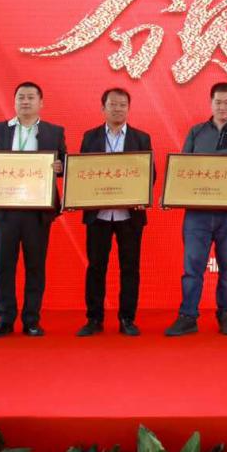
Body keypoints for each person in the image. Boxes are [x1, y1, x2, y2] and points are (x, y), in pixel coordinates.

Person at [0, 81, 67, 338]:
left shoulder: (53, 132)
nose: (25, 102)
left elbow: (65, 164)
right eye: (20, 97)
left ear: (41, 103)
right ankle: (5, 318)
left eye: (30, 97)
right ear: (14, 102)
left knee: (35, 266)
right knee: (4, 265)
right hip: (5, 209)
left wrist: (61, 167)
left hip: (37, 211)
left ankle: (31, 320)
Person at [165, 81, 227, 337]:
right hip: (198, 214)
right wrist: (175, 193)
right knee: (192, 267)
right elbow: (183, 168)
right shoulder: (196, 132)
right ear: (210, 103)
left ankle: (226, 315)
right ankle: (188, 316)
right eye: (218, 102)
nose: (222, 107)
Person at [77, 87, 153, 337]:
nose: (117, 109)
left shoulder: (141, 138)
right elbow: (81, 172)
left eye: (122, 105)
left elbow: (149, 174)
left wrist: (142, 195)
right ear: (103, 108)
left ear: (128, 109)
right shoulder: (90, 137)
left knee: (130, 268)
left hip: (129, 215)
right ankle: (94, 319)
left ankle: (127, 319)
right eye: (113, 104)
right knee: (96, 267)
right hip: (98, 214)